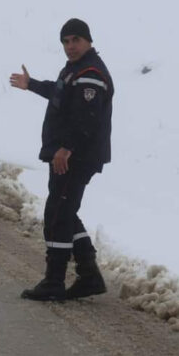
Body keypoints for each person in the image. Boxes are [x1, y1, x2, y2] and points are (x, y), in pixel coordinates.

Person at [9, 18, 114, 301]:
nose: (70, 46)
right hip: (70, 154)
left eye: (75, 40)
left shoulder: (91, 72)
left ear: (88, 41)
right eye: (65, 42)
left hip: (76, 157)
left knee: (57, 214)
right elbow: (60, 93)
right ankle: (89, 275)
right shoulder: (75, 70)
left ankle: (54, 281)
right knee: (64, 211)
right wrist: (31, 84)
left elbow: (86, 118)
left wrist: (66, 148)